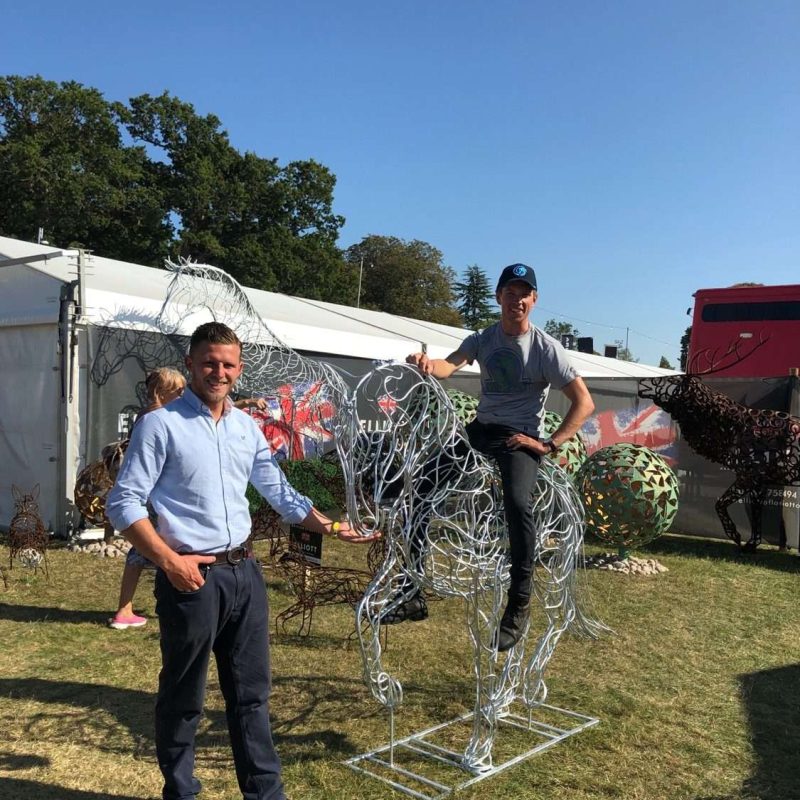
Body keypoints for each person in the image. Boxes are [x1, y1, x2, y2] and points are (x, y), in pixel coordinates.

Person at [106, 322, 377, 800]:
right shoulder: (160, 425)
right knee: (184, 698)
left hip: (245, 576)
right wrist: (170, 562)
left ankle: (266, 795)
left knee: (252, 697)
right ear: (190, 363)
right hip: (191, 579)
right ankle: (181, 792)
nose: (219, 371)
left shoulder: (245, 427)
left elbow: (280, 493)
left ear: (239, 369)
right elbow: (124, 504)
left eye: (228, 364)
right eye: (209, 361)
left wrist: (332, 527)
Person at [403, 263, 594, 651]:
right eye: (510, 292)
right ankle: (411, 591)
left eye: (524, 293)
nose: (517, 299)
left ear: (534, 300)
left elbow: (584, 402)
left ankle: (519, 605)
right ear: (499, 298)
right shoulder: (484, 338)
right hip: (480, 431)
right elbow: (448, 365)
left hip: (516, 439)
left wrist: (548, 444)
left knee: (519, 504)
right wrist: (426, 365)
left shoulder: (546, 349)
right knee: (420, 487)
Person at [108, 367, 187, 630]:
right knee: (166, 546)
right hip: (154, 495)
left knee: (141, 551)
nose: (183, 395)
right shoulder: (157, 417)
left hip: (149, 496)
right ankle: (149, 605)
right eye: (179, 391)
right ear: (164, 392)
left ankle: (125, 608)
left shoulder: (147, 413)